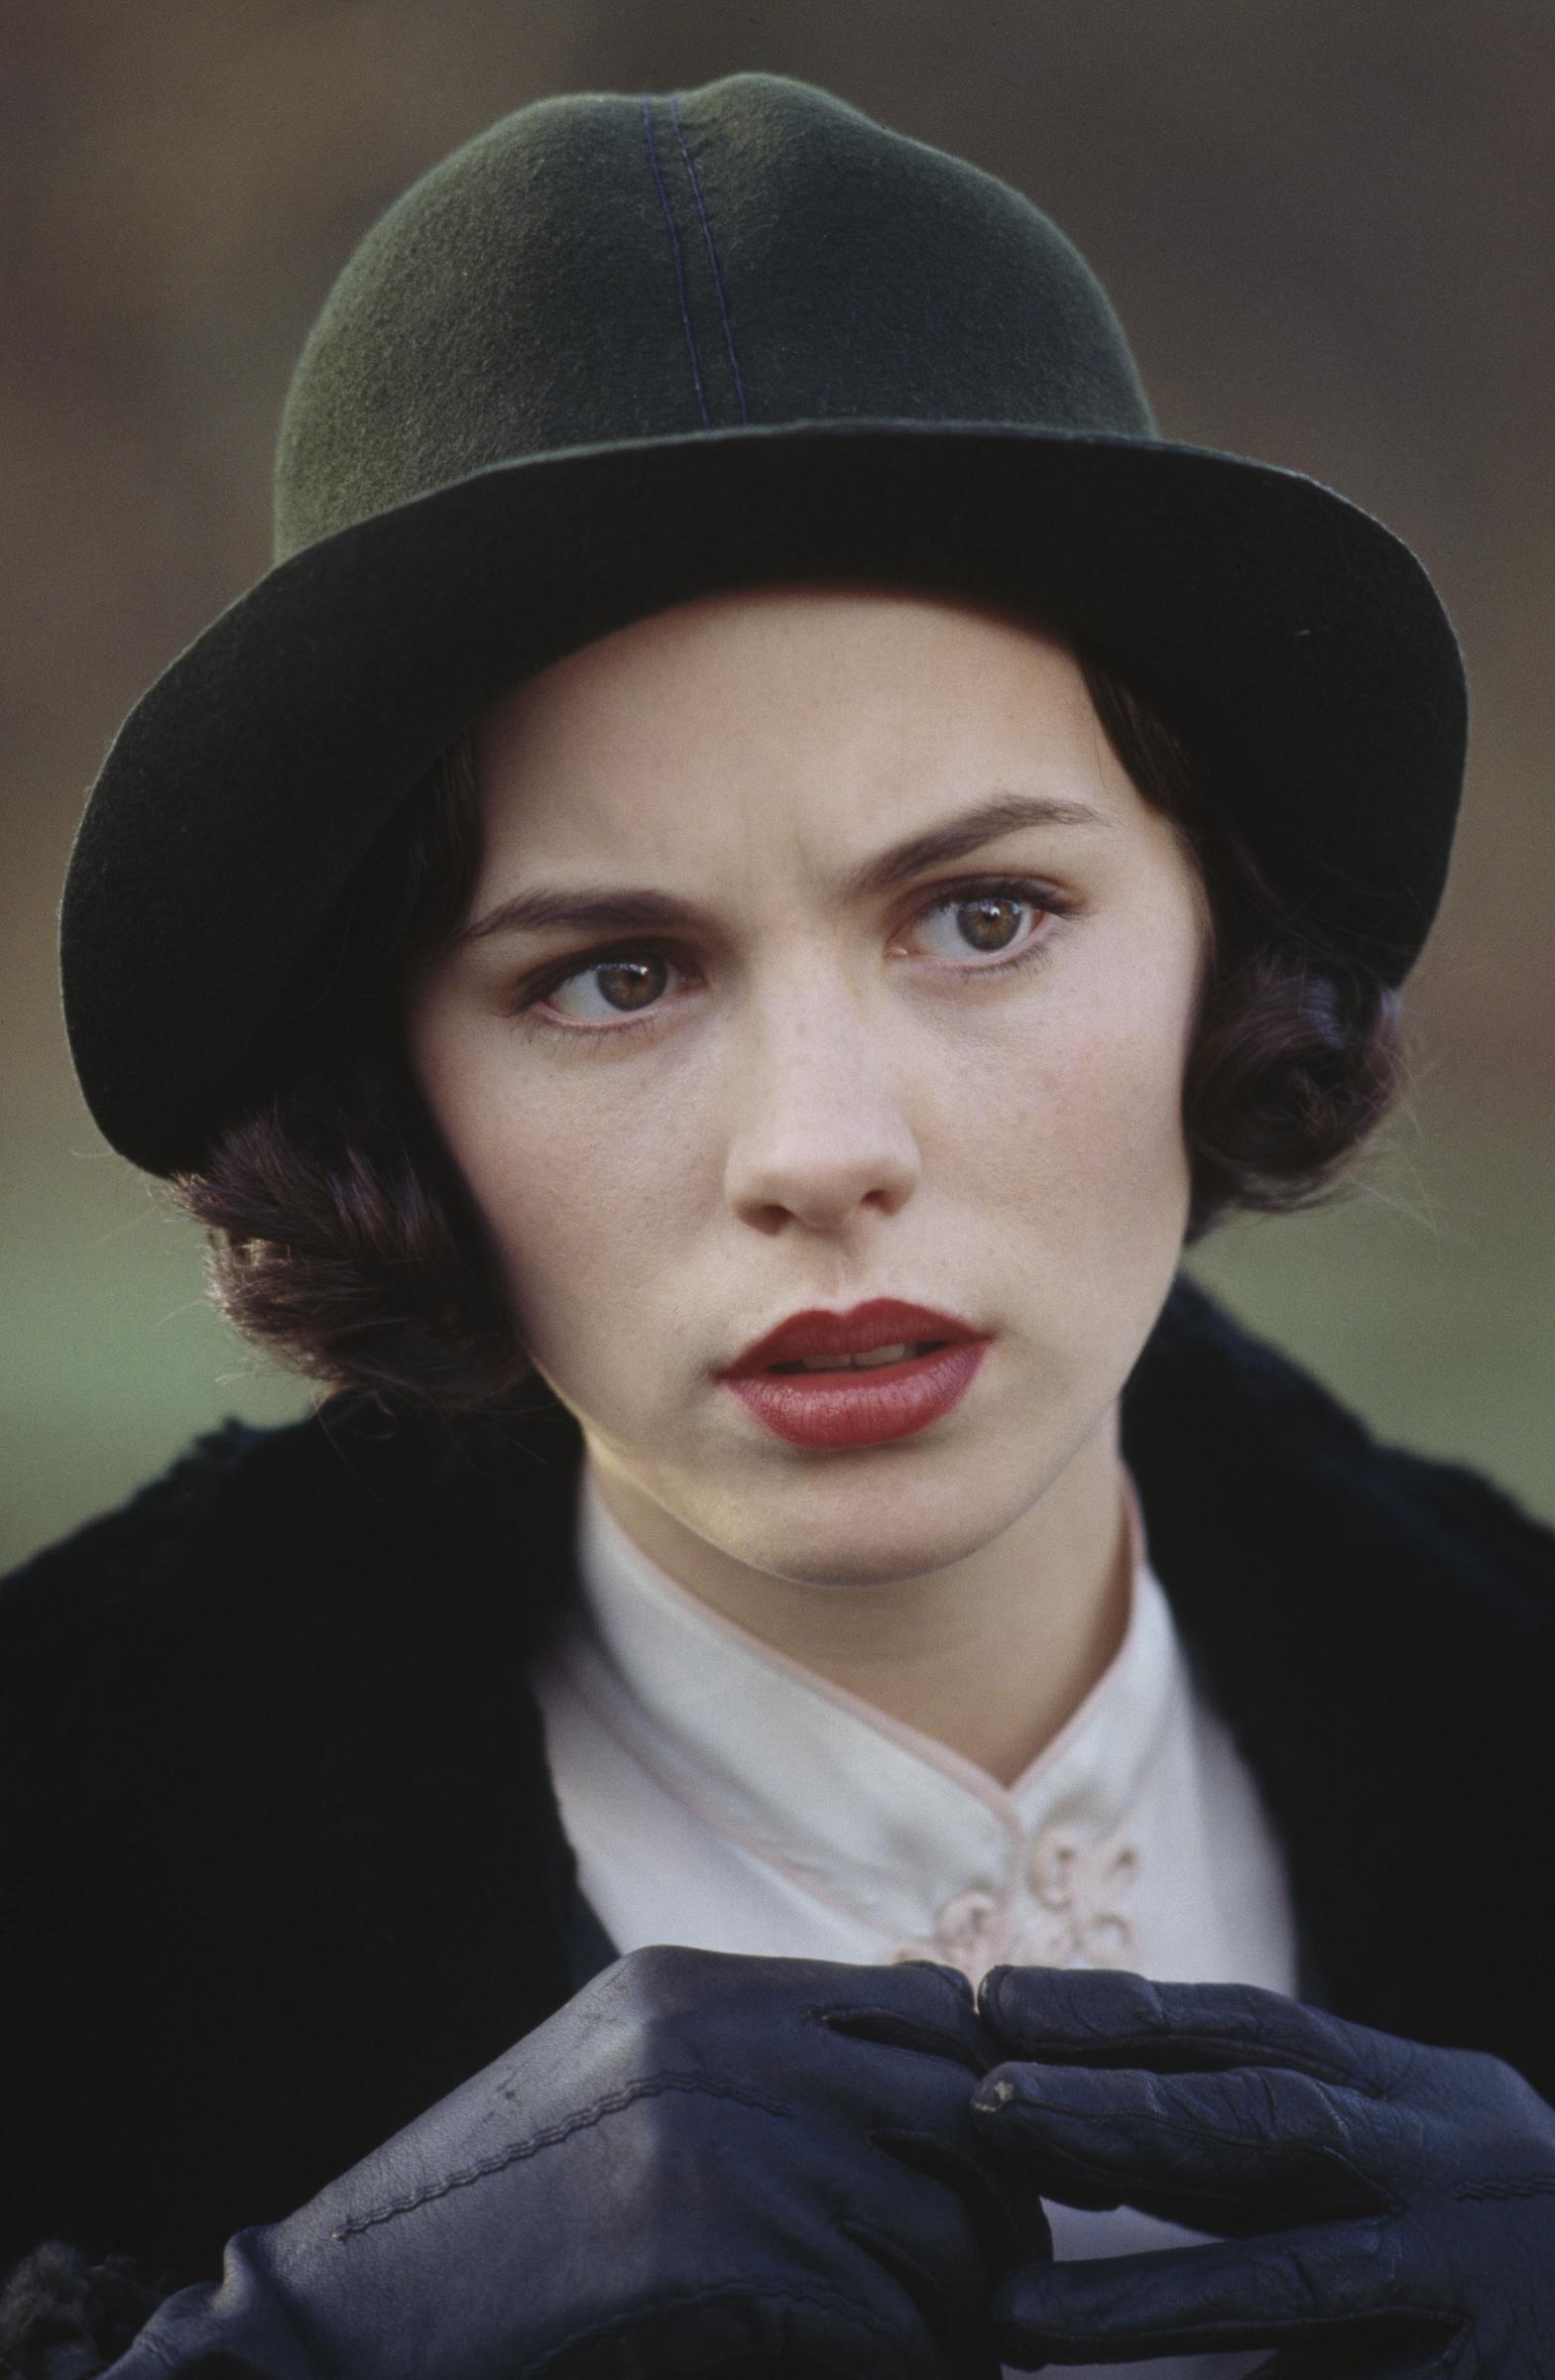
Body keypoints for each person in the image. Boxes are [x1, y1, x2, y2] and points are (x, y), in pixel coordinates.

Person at [3, 66, 1552, 2380]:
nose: (818, 1145)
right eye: (611, 975)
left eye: (986, 914)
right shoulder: (58, 1852)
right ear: (398, 1091)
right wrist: (285, 2353)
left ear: (1219, 952)